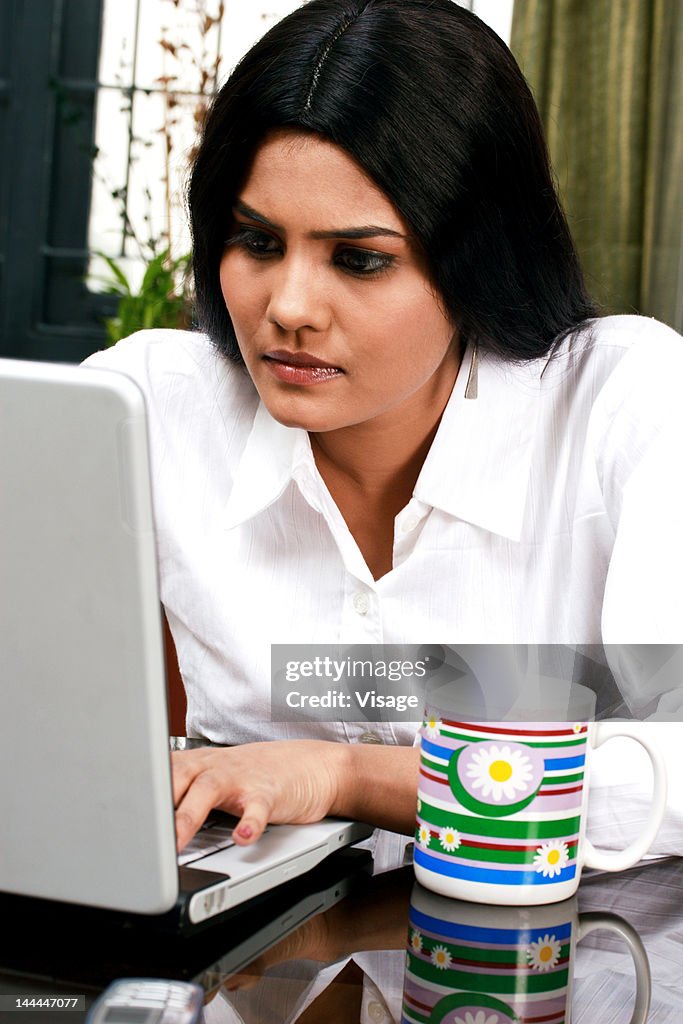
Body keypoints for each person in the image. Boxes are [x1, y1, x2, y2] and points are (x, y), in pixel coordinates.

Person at [83, 0, 683, 868]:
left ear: (477, 257)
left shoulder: (627, 401)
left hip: (566, 967)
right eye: (255, 241)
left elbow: (668, 777)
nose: (286, 308)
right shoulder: (143, 407)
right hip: (242, 965)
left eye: (359, 259)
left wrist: (346, 775)